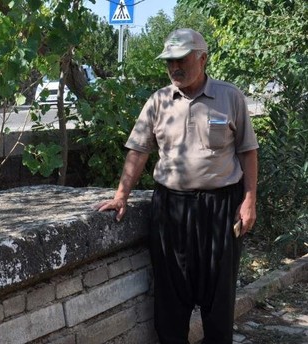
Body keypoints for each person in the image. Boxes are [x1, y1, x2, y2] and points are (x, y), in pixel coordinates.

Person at [95, 28, 258, 344]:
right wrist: (120, 195)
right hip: (171, 208)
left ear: (203, 58)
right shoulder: (158, 102)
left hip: (222, 207)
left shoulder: (230, 97)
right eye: (169, 61)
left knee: (219, 296)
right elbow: (138, 151)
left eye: (181, 59)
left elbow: (247, 151)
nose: (174, 67)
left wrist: (249, 199)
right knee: (170, 297)